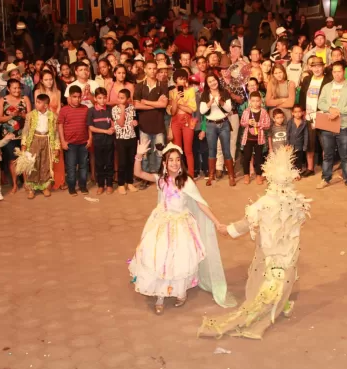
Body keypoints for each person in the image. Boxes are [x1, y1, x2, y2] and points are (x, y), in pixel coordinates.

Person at [198, 146, 310, 339]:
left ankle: (274, 305)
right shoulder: (297, 201)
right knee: (282, 279)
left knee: (263, 282)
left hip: (267, 252)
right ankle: (282, 303)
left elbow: (245, 223)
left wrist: (227, 230)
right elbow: (300, 222)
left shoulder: (265, 202)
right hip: (288, 254)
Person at [129, 140, 235, 315]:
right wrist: (139, 155)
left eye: (178, 159)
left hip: (181, 225)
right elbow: (137, 172)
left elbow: (201, 204)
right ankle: (160, 295)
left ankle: (179, 291)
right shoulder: (160, 180)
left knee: (179, 258)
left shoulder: (186, 182)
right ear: (164, 163)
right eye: (171, 160)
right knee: (160, 257)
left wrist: (217, 222)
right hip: (161, 224)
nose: (174, 163)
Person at [317, 61, 347, 193]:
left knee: (345, 155)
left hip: (344, 125)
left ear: (344, 71)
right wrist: (330, 109)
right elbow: (320, 102)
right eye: (334, 71)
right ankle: (326, 178)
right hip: (328, 124)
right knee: (328, 154)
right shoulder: (327, 87)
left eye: (339, 71)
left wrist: (337, 111)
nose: (336, 74)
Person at [20, 94, 60, 199]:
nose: (36, 104)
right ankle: (31, 188)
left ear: (46, 105)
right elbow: (25, 131)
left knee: (45, 163)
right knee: (33, 163)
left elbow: (56, 133)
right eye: (36, 102)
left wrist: (56, 147)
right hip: (34, 140)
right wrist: (24, 144)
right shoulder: (30, 115)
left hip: (47, 140)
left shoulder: (53, 116)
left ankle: (44, 187)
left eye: (39, 102)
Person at [0, 78, 32, 194]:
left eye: (18, 88)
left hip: (23, 133)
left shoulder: (25, 99)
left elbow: (30, 117)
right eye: (14, 88)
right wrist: (11, 116)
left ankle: (26, 183)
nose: (17, 90)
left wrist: (21, 114)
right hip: (9, 135)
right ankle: (15, 184)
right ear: (8, 89)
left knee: (24, 158)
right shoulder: (3, 100)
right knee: (12, 160)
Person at [133, 60, 169, 175]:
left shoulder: (163, 85)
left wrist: (145, 102)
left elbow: (163, 105)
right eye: (149, 68)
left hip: (159, 124)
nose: (152, 71)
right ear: (145, 70)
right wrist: (155, 105)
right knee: (144, 153)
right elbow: (136, 105)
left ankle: (158, 175)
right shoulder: (139, 86)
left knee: (159, 152)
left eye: (154, 68)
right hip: (144, 125)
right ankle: (145, 176)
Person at [299, 56, 331, 178]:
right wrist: (302, 111)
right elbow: (302, 95)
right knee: (310, 143)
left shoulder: (328, 80)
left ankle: (326, 170)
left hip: (323, 114)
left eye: (319, 66)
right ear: (311, 68)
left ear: (323, 67)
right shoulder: (307, 79)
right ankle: (310, 168)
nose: (317, 69)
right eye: (314, 66)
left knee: (325, 144)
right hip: (309, 116)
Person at [200, 74, 234, 186]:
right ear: (207, 84)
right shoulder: (205, 94)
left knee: (226, 151)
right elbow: (202, 111)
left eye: (214, 80)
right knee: (212, 150)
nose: (213, 83)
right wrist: (210, 103)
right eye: (210, 81)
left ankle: (231, 176)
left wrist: (221, 102)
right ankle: (211, 176)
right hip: (210, 125)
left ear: (217, 81)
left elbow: (229, 109)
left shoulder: (224, 92)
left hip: (223, 123)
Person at [58, 85, 91, 196]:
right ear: (69, 98)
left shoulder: (85, 109)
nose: (77, 99)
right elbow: (60, 126)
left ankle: (83, 186)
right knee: (71, 167)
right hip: (70, 144)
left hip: (83, 143)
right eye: (74, 96)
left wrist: (90, 139)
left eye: (79, 97)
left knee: (83, 166)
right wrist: (63, 141)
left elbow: (89, 125)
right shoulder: (64, 110)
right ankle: (71, 187)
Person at [169, 69, 197, 177]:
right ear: (175, 80)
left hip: (187, 121)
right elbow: (172, 112)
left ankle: (191, 174)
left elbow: (191, 110)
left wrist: (178, 103)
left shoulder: (190, 91)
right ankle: (178, 173)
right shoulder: (171, 92)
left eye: (184, 79)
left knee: (188, 150)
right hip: (175, 121)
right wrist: (175, 100)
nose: (183, 81)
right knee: (177, 149)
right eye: (180, 79)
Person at [88, 88, 115, 195]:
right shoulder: (91, 111)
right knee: (99, 163)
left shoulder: (109, 109)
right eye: (99, 98)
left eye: (104, 98)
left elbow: (113, 123)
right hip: (98, 141)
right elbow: (91, 127)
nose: (102, 100)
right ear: (95, 98)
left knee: (109, 162)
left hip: (109, 141)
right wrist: (105, 131)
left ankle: (109, 184)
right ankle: (100, 185)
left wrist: (112, 129)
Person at [240, 91, 270, 185]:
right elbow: (242, 123)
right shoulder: (246, 111)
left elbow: (268, 125)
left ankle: (258, 175)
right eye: (253, 101)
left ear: (261, 101)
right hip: (248, 139)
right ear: (250, 101)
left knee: (259, 158)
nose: (255, 103)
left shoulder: (264, 112)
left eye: (257, 101)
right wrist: (248, 122)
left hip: (259, 139)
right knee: (246, 158)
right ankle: (246, 175)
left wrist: (258, 124)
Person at [112, 89, 138, 195]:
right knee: (122, 162)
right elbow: (121, 123)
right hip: (121, 138)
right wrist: (122, 110)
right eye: (119, 97)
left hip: (132, 137)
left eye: (122, 98)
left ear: (127, 99)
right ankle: (121, 184)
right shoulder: (114, 109)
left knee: (130, 161)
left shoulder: (132, 108)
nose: (119, 99)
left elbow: (135, 120)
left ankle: (130, 182)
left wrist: (136, 122)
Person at [286, 105, 308, 175]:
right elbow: (287, 133)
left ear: (302, 113)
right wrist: (287, 143)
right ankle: (291, 174)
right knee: (291, 160)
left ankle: (297, 174)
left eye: (299, 112)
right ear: (292, 113)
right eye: (295, 112)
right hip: (291, 145)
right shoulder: (290, 122)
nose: (297, 114)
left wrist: (305, 146)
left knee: (299, 160)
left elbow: (305, 134)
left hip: (300, 145)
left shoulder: (304, 123)